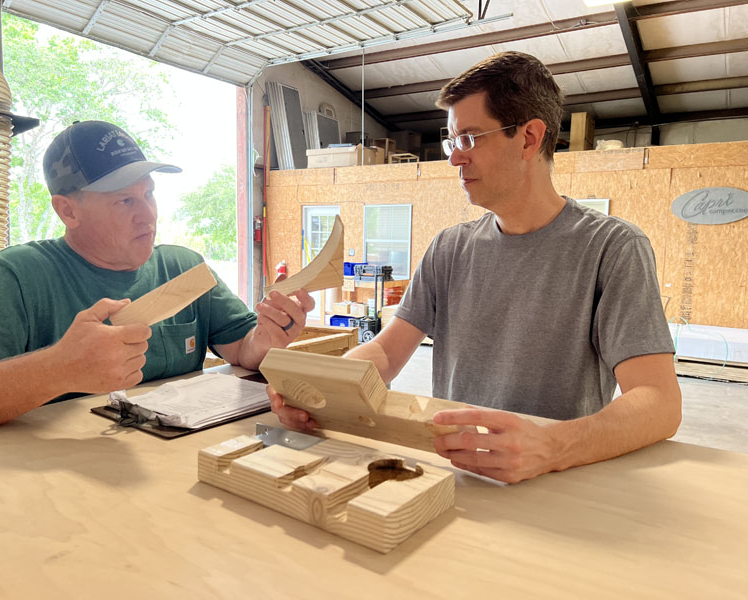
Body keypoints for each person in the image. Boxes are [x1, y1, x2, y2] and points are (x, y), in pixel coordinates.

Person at [270, 51, 681, 484]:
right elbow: (388, 352)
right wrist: (321, 389)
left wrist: (552, 445)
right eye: (453, 141)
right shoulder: (450, 248)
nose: (454, 159)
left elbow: (658, 401)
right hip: (454, 474)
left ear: (528, 138)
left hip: (555, 482)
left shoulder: (612, 248)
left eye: (469, 138)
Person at [0, 120, 313, 429]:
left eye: (149, 195)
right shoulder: (17, 276)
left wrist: (267, 338)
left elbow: (242, 348)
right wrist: (59, 369)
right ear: (67, 211)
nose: (147, 216)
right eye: (125, 201)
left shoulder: (182, 268)